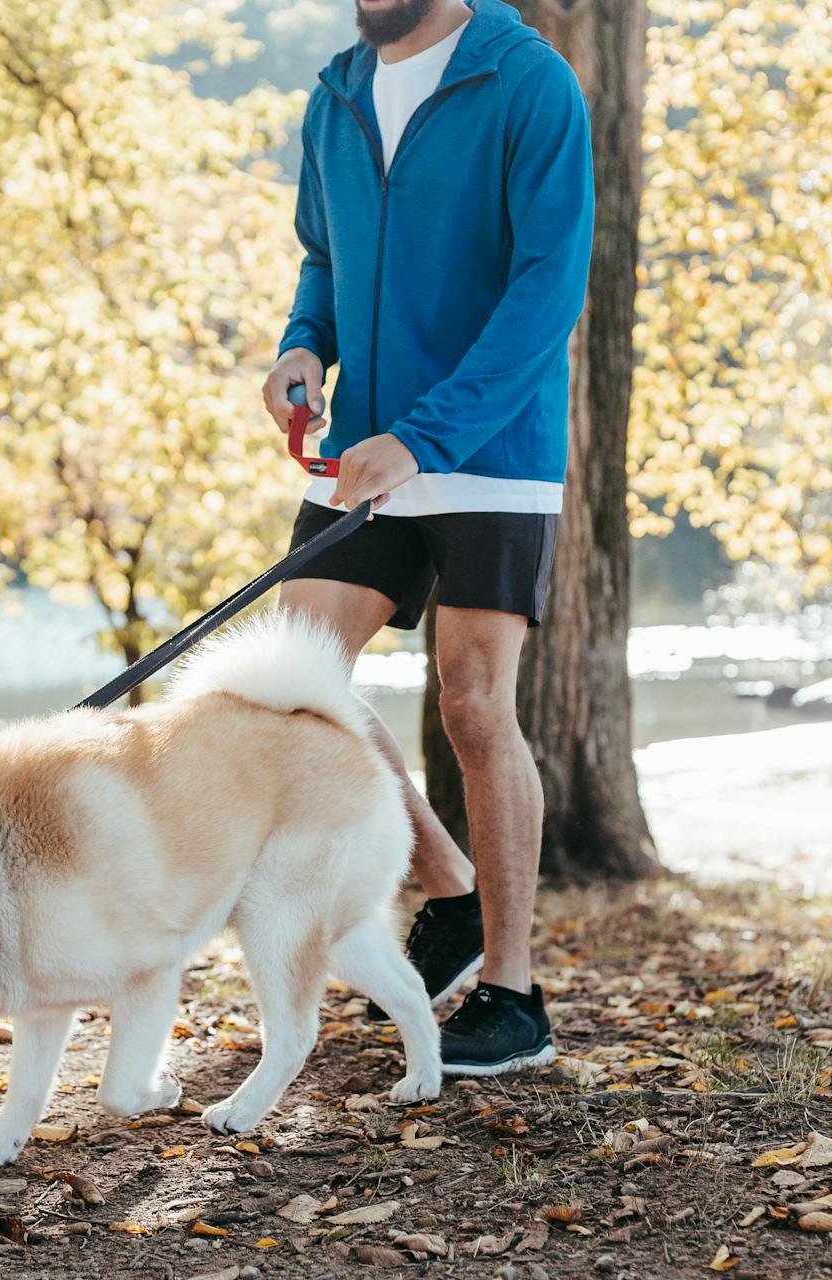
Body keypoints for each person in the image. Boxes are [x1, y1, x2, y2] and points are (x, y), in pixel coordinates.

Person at [261, 0, 593, 1075]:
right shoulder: (337, 91)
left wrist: (430, 433)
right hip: (368, 446)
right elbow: (324, 257)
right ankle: (446, 883)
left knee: (471, 699)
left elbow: (549, 287)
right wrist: (301, 348)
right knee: (298, 678)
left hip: (493, 441)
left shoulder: (525, 81)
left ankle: (514, 990)